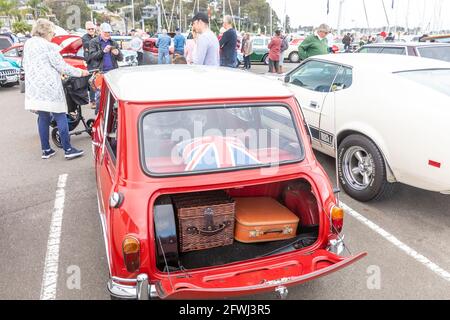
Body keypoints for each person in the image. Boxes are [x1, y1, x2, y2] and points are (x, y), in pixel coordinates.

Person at [23, 19, 88, 160]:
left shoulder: (28, 44)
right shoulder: (49, 46)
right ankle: (68, 149)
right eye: (52, 32)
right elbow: (62, 66)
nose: (52, 35)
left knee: (43, 117)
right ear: (46, 31)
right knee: (60, 115)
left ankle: (46, 150)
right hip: (49, 86)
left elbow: (27, 64)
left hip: (34, 87)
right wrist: (81, 72)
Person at [88, 22, 123, 114]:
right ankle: (99, 116)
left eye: (109, 32)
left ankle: (113, 116)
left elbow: (121, 58)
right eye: (106, 32)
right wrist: (103, 51)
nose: (108, 34)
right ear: (100, 32)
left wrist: (118, 53)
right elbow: (92, 56)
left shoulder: (113, 42)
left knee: (114, 95)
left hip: (113, 72)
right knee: (100, 96)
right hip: (101, 72)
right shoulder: (93, 42)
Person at [82, 21, 97, 108]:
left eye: (92, 29)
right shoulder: (84, 38)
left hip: (98, 61)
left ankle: (99, 99)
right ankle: (92, 101)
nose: (91, 30)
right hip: (90, 61)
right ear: (86, 29)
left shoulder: (96, 36)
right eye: (89, 29)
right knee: (92, 81)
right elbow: (90, 45)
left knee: (99, 81)